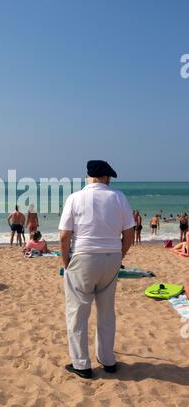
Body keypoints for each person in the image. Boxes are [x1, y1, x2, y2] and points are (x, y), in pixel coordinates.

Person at [59, 160, 134, 379]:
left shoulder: (75, 198)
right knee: (106, 310)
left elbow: (64, 236)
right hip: (111, 257)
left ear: (88, 176)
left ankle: (81, 364)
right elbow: (129, 234)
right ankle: (108, 359)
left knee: (78, 313)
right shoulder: (118, 197)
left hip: (83, 256)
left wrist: (66, 263)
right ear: (107, 177)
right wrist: (120, 255)